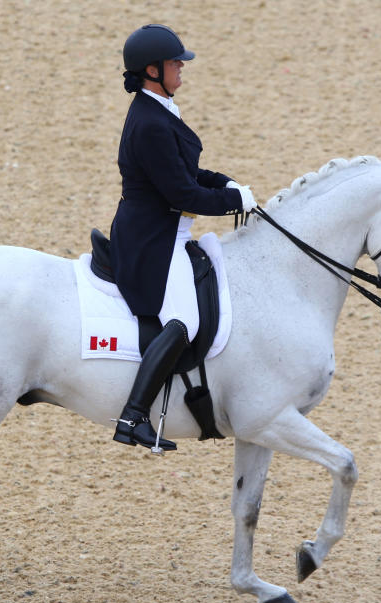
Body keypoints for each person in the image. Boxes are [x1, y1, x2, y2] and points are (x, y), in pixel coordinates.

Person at [110, 24, 257, 451]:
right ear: (152, 70)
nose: (181, 68)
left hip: (162, 231)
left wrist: (227, 182)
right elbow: (180, 193)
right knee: (187, 320)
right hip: (151, 241)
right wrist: (231, 201)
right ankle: (133, 416)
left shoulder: (158, 108)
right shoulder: (151, 123)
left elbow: (184, 173)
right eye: (176, 62)